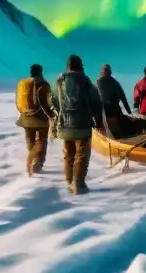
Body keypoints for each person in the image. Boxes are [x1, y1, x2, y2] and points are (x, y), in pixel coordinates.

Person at [54, 54, 104, 195]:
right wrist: (98, 122)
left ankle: (69, 182)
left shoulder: (59, 81)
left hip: (65, 125)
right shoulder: (85, 80)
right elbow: (96, 101)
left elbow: (53, 100)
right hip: (82, 125)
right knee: (81, 154)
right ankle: (79, 184)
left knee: (68, 154)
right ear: (80, 66)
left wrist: (59, 117)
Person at [15, 64, 55, 176]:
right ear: (40, 72)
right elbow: (46, 103)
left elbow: (18, 100)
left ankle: (33, 160)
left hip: (25, 118)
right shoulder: (43, 84)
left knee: (30, 140)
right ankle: (37, 163)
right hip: (40, 118)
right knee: (41, 141)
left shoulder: (23, 83)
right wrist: (51, 115)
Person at [96, 64, 133, 138]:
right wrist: (129, 112)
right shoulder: (114, 83)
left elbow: (92, 100)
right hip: (111, 114)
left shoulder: (98, 83)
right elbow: (123, 99)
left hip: (107, 115)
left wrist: (129, 112)